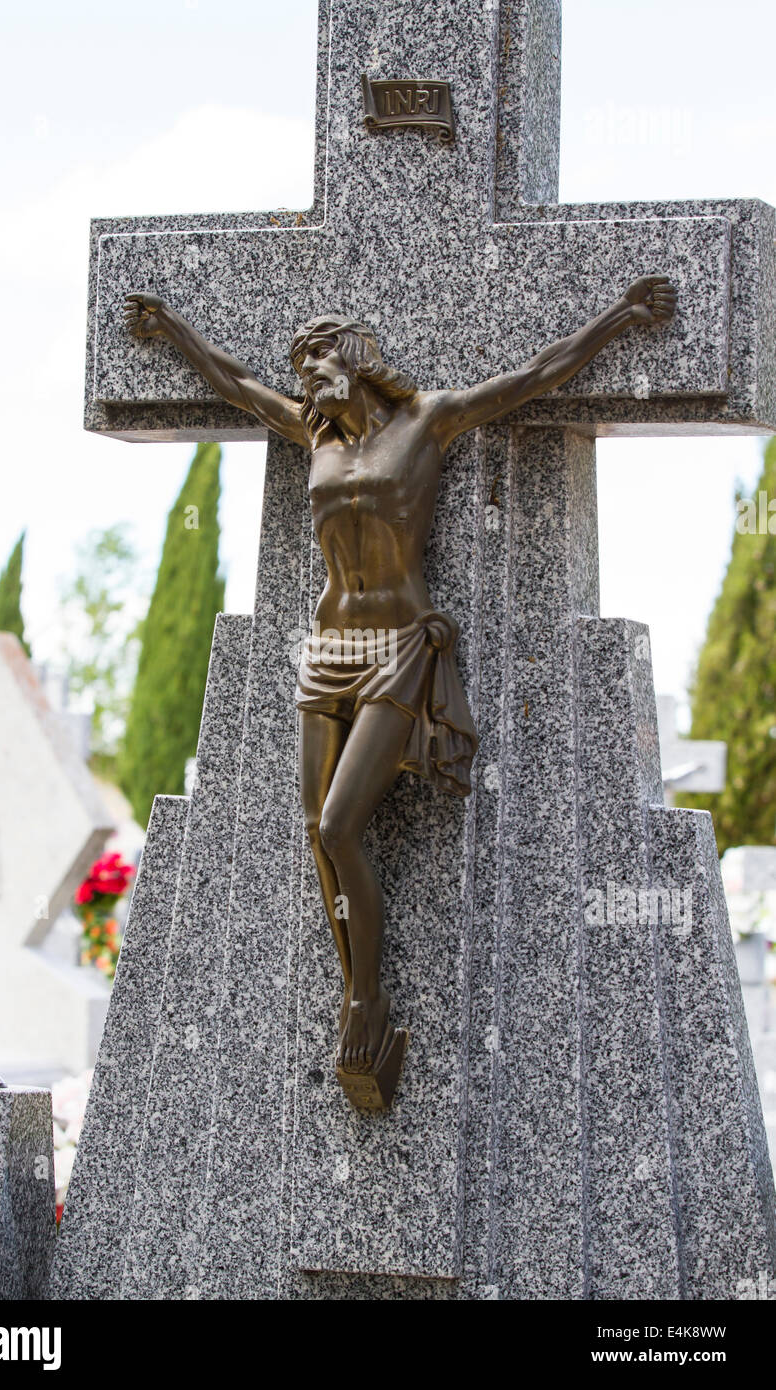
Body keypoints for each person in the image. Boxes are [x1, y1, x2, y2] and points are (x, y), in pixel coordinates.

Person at [124, 275, 677, 1075]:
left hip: (396, 650)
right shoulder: (314, 436)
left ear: (355, 360)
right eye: (300, 363)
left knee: (338, 826)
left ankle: (363, 999)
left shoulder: (426, 422)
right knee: (316, 836)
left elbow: (535, 375)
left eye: (317, 361)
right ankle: (361, 1002)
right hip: (328, 653)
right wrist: (172, 327)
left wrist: (620, 318)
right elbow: (237, 383)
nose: (304, 376)